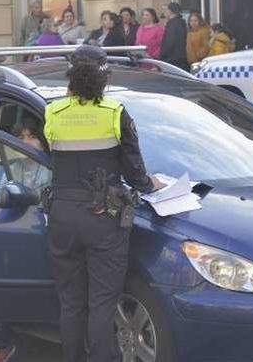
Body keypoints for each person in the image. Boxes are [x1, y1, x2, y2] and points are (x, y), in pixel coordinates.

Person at [44, 45, 156, 362]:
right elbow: (136, 173)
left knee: (71, 303)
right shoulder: (115, 113)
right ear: (104, 77)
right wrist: (151, 185)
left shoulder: (53, 111)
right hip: (103, 217)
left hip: (63, 216)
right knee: (103, 303)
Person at [0, 123, 50, 362]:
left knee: (1, 288)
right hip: (7, 233)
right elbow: (1, 197)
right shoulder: (12, 165)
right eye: (21, 137)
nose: (26, 143)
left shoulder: (48, 168)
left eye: (32, 137)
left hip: (33, 237)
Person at [159, 2, 188, 71]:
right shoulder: (181, 22)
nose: (164, 12)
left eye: (166, 10)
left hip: (172, 59)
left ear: (171, 11)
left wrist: (162, 55)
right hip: (180, 58)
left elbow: (169, 42)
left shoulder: (172, 24)